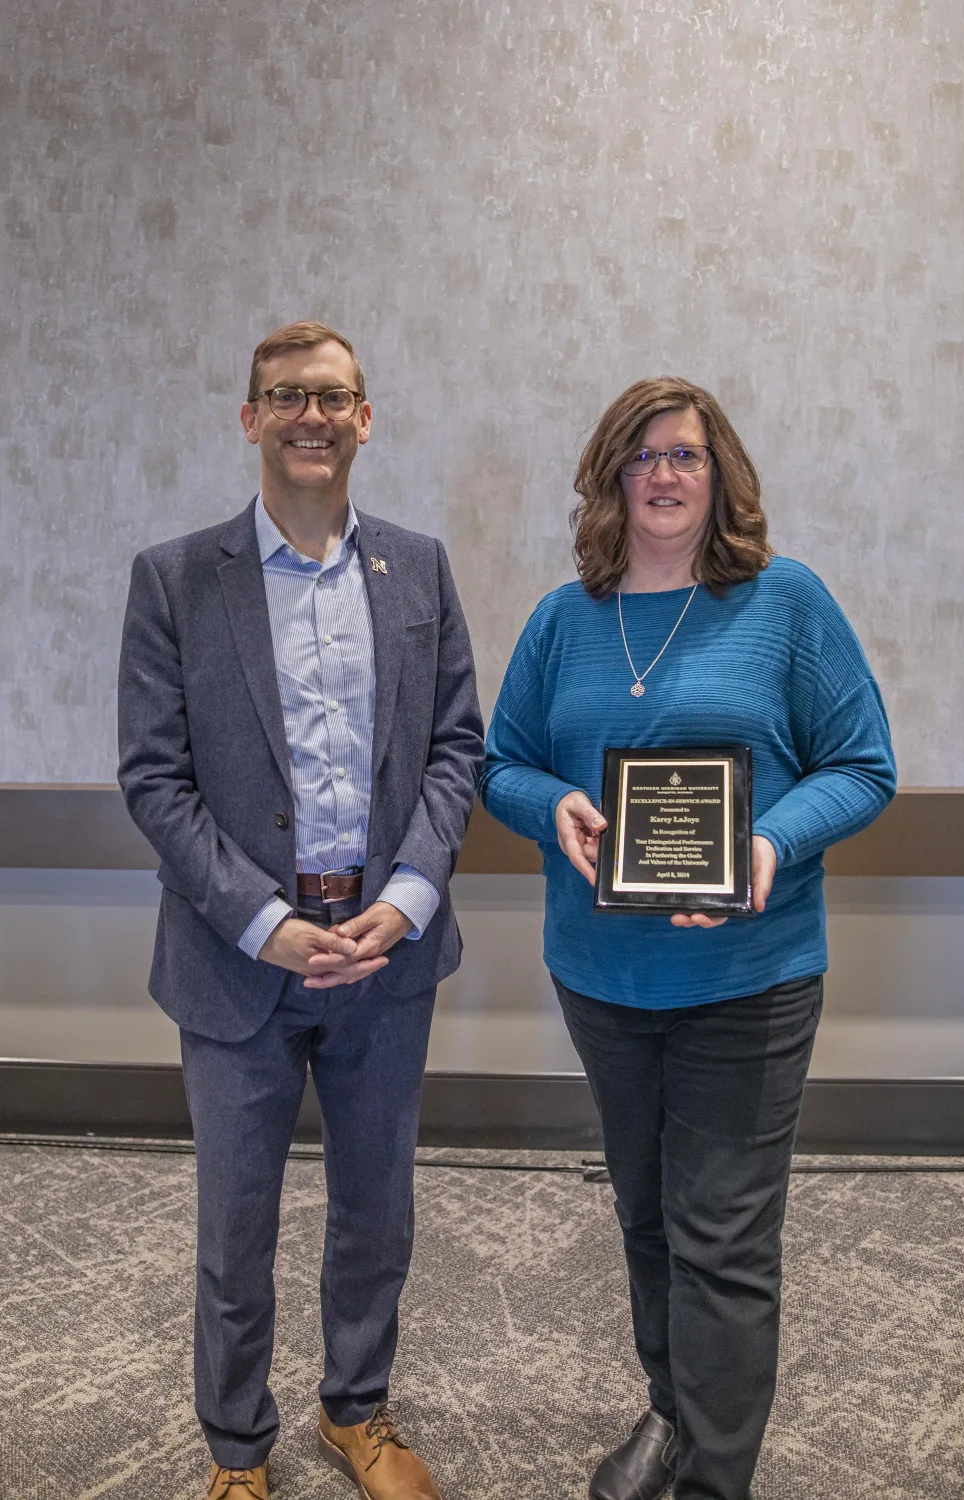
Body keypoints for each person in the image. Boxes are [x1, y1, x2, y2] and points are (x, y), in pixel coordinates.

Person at [479, 377, 895, 1500]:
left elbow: (863, 768)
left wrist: (764, 846)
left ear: (722, 476)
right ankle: (671, 1412)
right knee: (645, 1214)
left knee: (720, 1235)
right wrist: (548, 807)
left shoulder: (786, 602)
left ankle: (716, 1478)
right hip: (604, 979)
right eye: (642, 456)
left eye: (687, 456)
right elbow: (500, 761)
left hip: (746, 979)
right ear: (610, 476)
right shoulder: (566, 618)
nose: (664, 476)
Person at [118, 320, 483, 1500]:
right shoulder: (175, 578)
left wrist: (412, 897)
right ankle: (237, 1449)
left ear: (365, 419)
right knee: (236, 1229)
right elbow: (155, 779)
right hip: (239, 963)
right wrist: (260, 921)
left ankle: (356, 1411)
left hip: (386, 955)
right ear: (249, 419)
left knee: (377, 1211)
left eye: (332, 396)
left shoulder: (419, 568)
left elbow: (455, 750)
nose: (309, 416)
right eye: (284, 396)